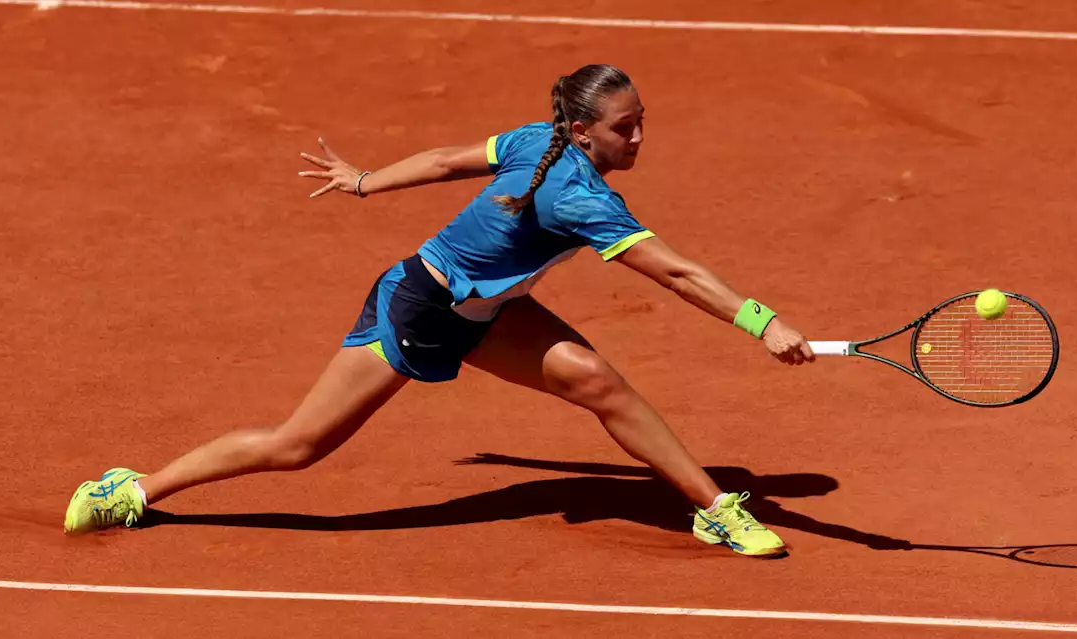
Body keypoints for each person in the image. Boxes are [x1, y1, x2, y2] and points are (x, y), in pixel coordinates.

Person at [63, 64, 817, 558]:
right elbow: (677, 272)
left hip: (490, 313)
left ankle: (713, 506)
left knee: (597, 381)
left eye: (643, 119)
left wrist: (366, 181)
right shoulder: (581, 197)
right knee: (298, 446)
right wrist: (763, 321)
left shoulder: (540, 140)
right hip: (419, 307)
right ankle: (132, 488)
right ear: (584, 132)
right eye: (627, 127)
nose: (640, 136)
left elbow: (447, 160)